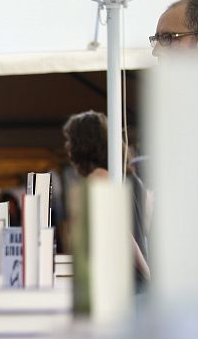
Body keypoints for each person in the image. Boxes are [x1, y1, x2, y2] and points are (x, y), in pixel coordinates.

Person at [62, 110, 151, 287]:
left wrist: (147, 274)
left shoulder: (99, 178)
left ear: (84, 144)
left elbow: (123, 233)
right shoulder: (133, 179)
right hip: (137, 281)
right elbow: (144, 229)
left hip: (124, 280)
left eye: (71, 141)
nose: (68, 146)